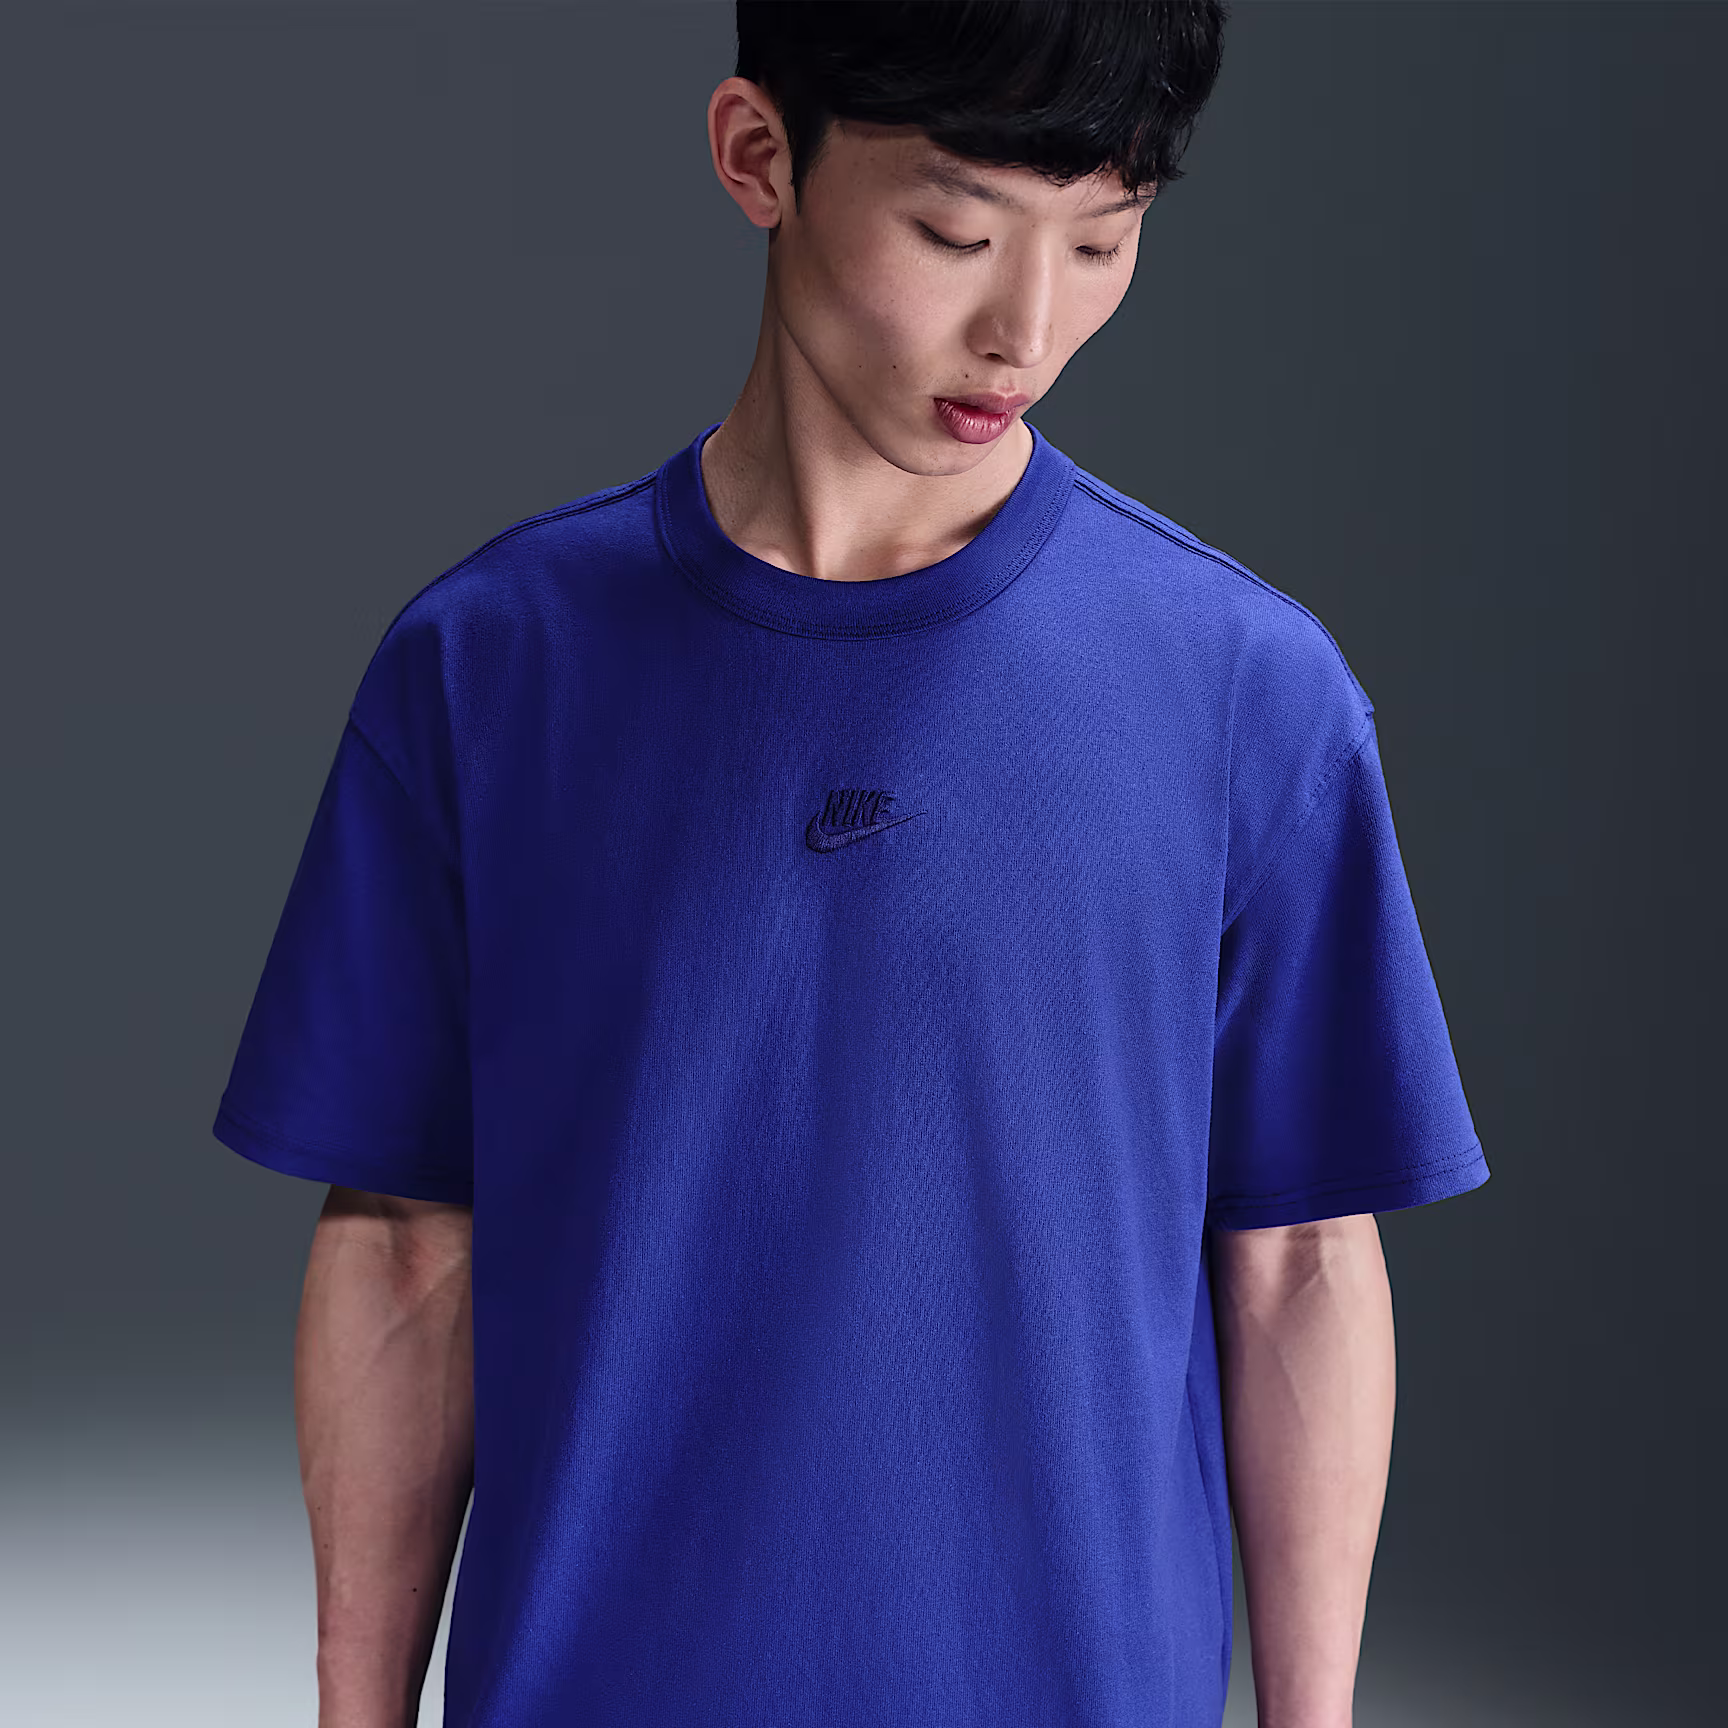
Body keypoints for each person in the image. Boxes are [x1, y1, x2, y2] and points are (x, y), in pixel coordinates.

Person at [214, 4, 1489, 1724]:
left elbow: (1303, 1264)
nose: (1025, 329)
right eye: (956, 233)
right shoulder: (489, 669)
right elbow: (399, 1247)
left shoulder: (1249, 694)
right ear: (760, 156)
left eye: (1101, 241)